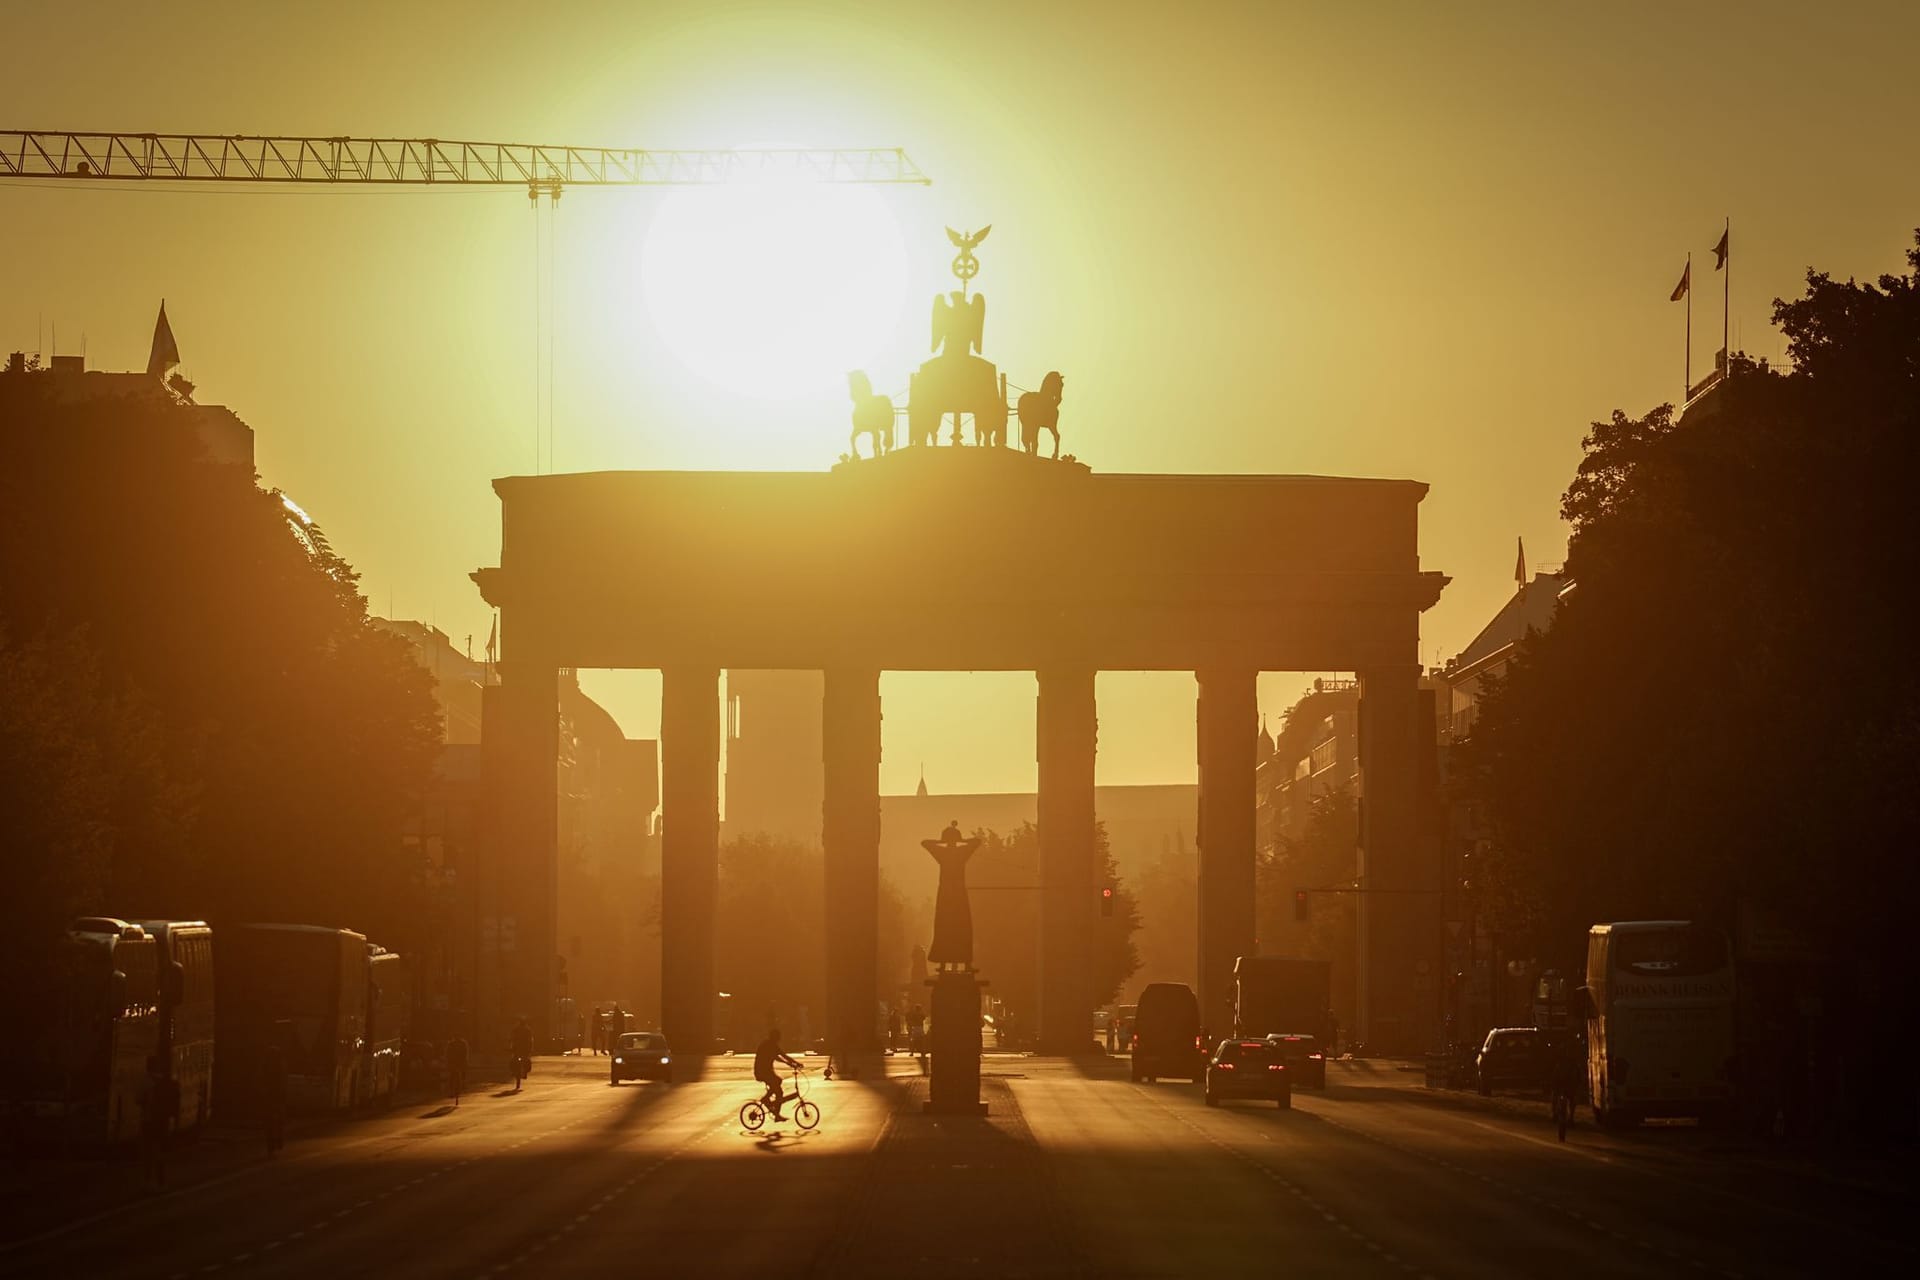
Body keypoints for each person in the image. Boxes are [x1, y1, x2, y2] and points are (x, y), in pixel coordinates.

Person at [138, 1055, 178, 1188]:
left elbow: (138, 1100)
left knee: (148, 1152)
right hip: (162, 1120)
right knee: (161, 1151)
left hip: (148, 1121)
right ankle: (161, 1180)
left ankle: (147, 1181)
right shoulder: (164, 1081)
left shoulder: (145, 1082)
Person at [754, 1027, 803, 1120]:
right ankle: (775, 1112)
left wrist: (793, 1063)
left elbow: (781, 1056)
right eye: (778, 1037)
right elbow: (781, 1056)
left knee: (778, 1083)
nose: (779, 1039)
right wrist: (793, 1063)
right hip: (762, 1072)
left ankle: (769, 1101)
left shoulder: (770, 1044)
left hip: (765, 1071)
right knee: (779, 1091)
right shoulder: (769, 1045)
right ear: (774, 1037)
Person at [510, 1016, 534, 1092]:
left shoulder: (516, 1029)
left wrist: (511, 1047)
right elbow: (531, 1040)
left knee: (514, 1060)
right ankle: (524, 1072)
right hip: (523, 1049)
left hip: (518, 1049)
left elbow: (512, 1039)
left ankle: (514, 1071)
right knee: (525, 1060)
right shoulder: (527, 1030)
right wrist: (530, 1048)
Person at [445, 1034, 469, 1106]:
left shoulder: (451, 1044)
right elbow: (465, 1053)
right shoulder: (462, 1043)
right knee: (458, 1074)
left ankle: (452, 1090)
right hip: (459, 1062)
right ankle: (460, 1086)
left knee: (452, 1075)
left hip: (455, 1062)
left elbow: (447, 1054)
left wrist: (448, 1062)